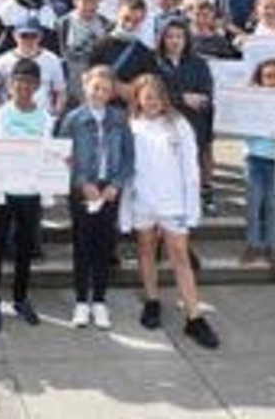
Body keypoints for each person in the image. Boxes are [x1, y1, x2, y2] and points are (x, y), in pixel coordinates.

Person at [123, 74, 220, 349]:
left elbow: (191, 169)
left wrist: (192, 207)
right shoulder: (131, 126)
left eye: (156, 95)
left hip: (173, 203)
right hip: (143, 201)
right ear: (138, 99)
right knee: (145, 251)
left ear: (163, 98)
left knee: (180, 257)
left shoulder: (179, 126)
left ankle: (194, 316)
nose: (151, 101)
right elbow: (128, 170)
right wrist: (127, 208)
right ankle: (152, 301)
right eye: (146, 96)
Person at [56, 65, 134, 330]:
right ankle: (81, 301)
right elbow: (63, 156)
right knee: (82, 244)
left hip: (109, 190)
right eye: (95, 87)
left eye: (105, 88)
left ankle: (99, 300)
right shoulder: (73, 119)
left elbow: (128, 156)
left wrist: (116, 184)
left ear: (112, 92)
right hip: (83, 190)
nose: (100, 92)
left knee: (105, 245)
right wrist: (82, 182)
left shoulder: (120, 119)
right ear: (85, 86)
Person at [0, 59, 51, 333]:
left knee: (25, 248)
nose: (23, 87)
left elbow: (48, 154)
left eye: (29, 82)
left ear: (37, 86)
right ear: (10, 85)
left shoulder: (45, 118)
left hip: (30, 192)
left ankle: (20, 298)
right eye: (18, 81)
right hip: (3, 192)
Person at [155, 19, 217, 216]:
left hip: (193, 124)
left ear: (186, 39)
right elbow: (152, 94)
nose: (174, 41)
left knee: (189, 173)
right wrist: (181, 98)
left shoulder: (199, 64)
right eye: (170, 36)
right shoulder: (154, 63)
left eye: (179, 37)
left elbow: (206, 92)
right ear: (162, 39)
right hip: (164, 124)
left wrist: (198, 100)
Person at [239, 58, 275, 266]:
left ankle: (272, 247)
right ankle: (253, 244)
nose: (272, 80)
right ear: (260, 80)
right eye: (267, 76)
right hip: (255, 158)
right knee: (253, 205)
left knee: (272, 206)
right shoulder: (252, 102)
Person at [88, 0, 159, 106]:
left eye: (136, 21)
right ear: (117, 13)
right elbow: (89, 79)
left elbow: (151, 84)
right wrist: (117, 87)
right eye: (126, 18)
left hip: (131, 112)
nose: (130, 25)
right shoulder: (99, 45)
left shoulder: (146, 52)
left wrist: (135, 90)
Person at [0, 16, 67, 116]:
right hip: (11, 117)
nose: (28, 40)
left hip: (43, 117)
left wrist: (56, 114)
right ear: (15, 36)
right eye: (24, 35)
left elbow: (60, 91)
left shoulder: (52, 60)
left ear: (40, 36)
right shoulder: (3, 61)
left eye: (33, 36)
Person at [56, 0, 112, 106]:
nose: (90, 6)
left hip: (98, 85)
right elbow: (58, 54)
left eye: (94, 1)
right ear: (75, 1)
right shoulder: (63, 23)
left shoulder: (106, 24)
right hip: (71, 85)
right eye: (85, 1)